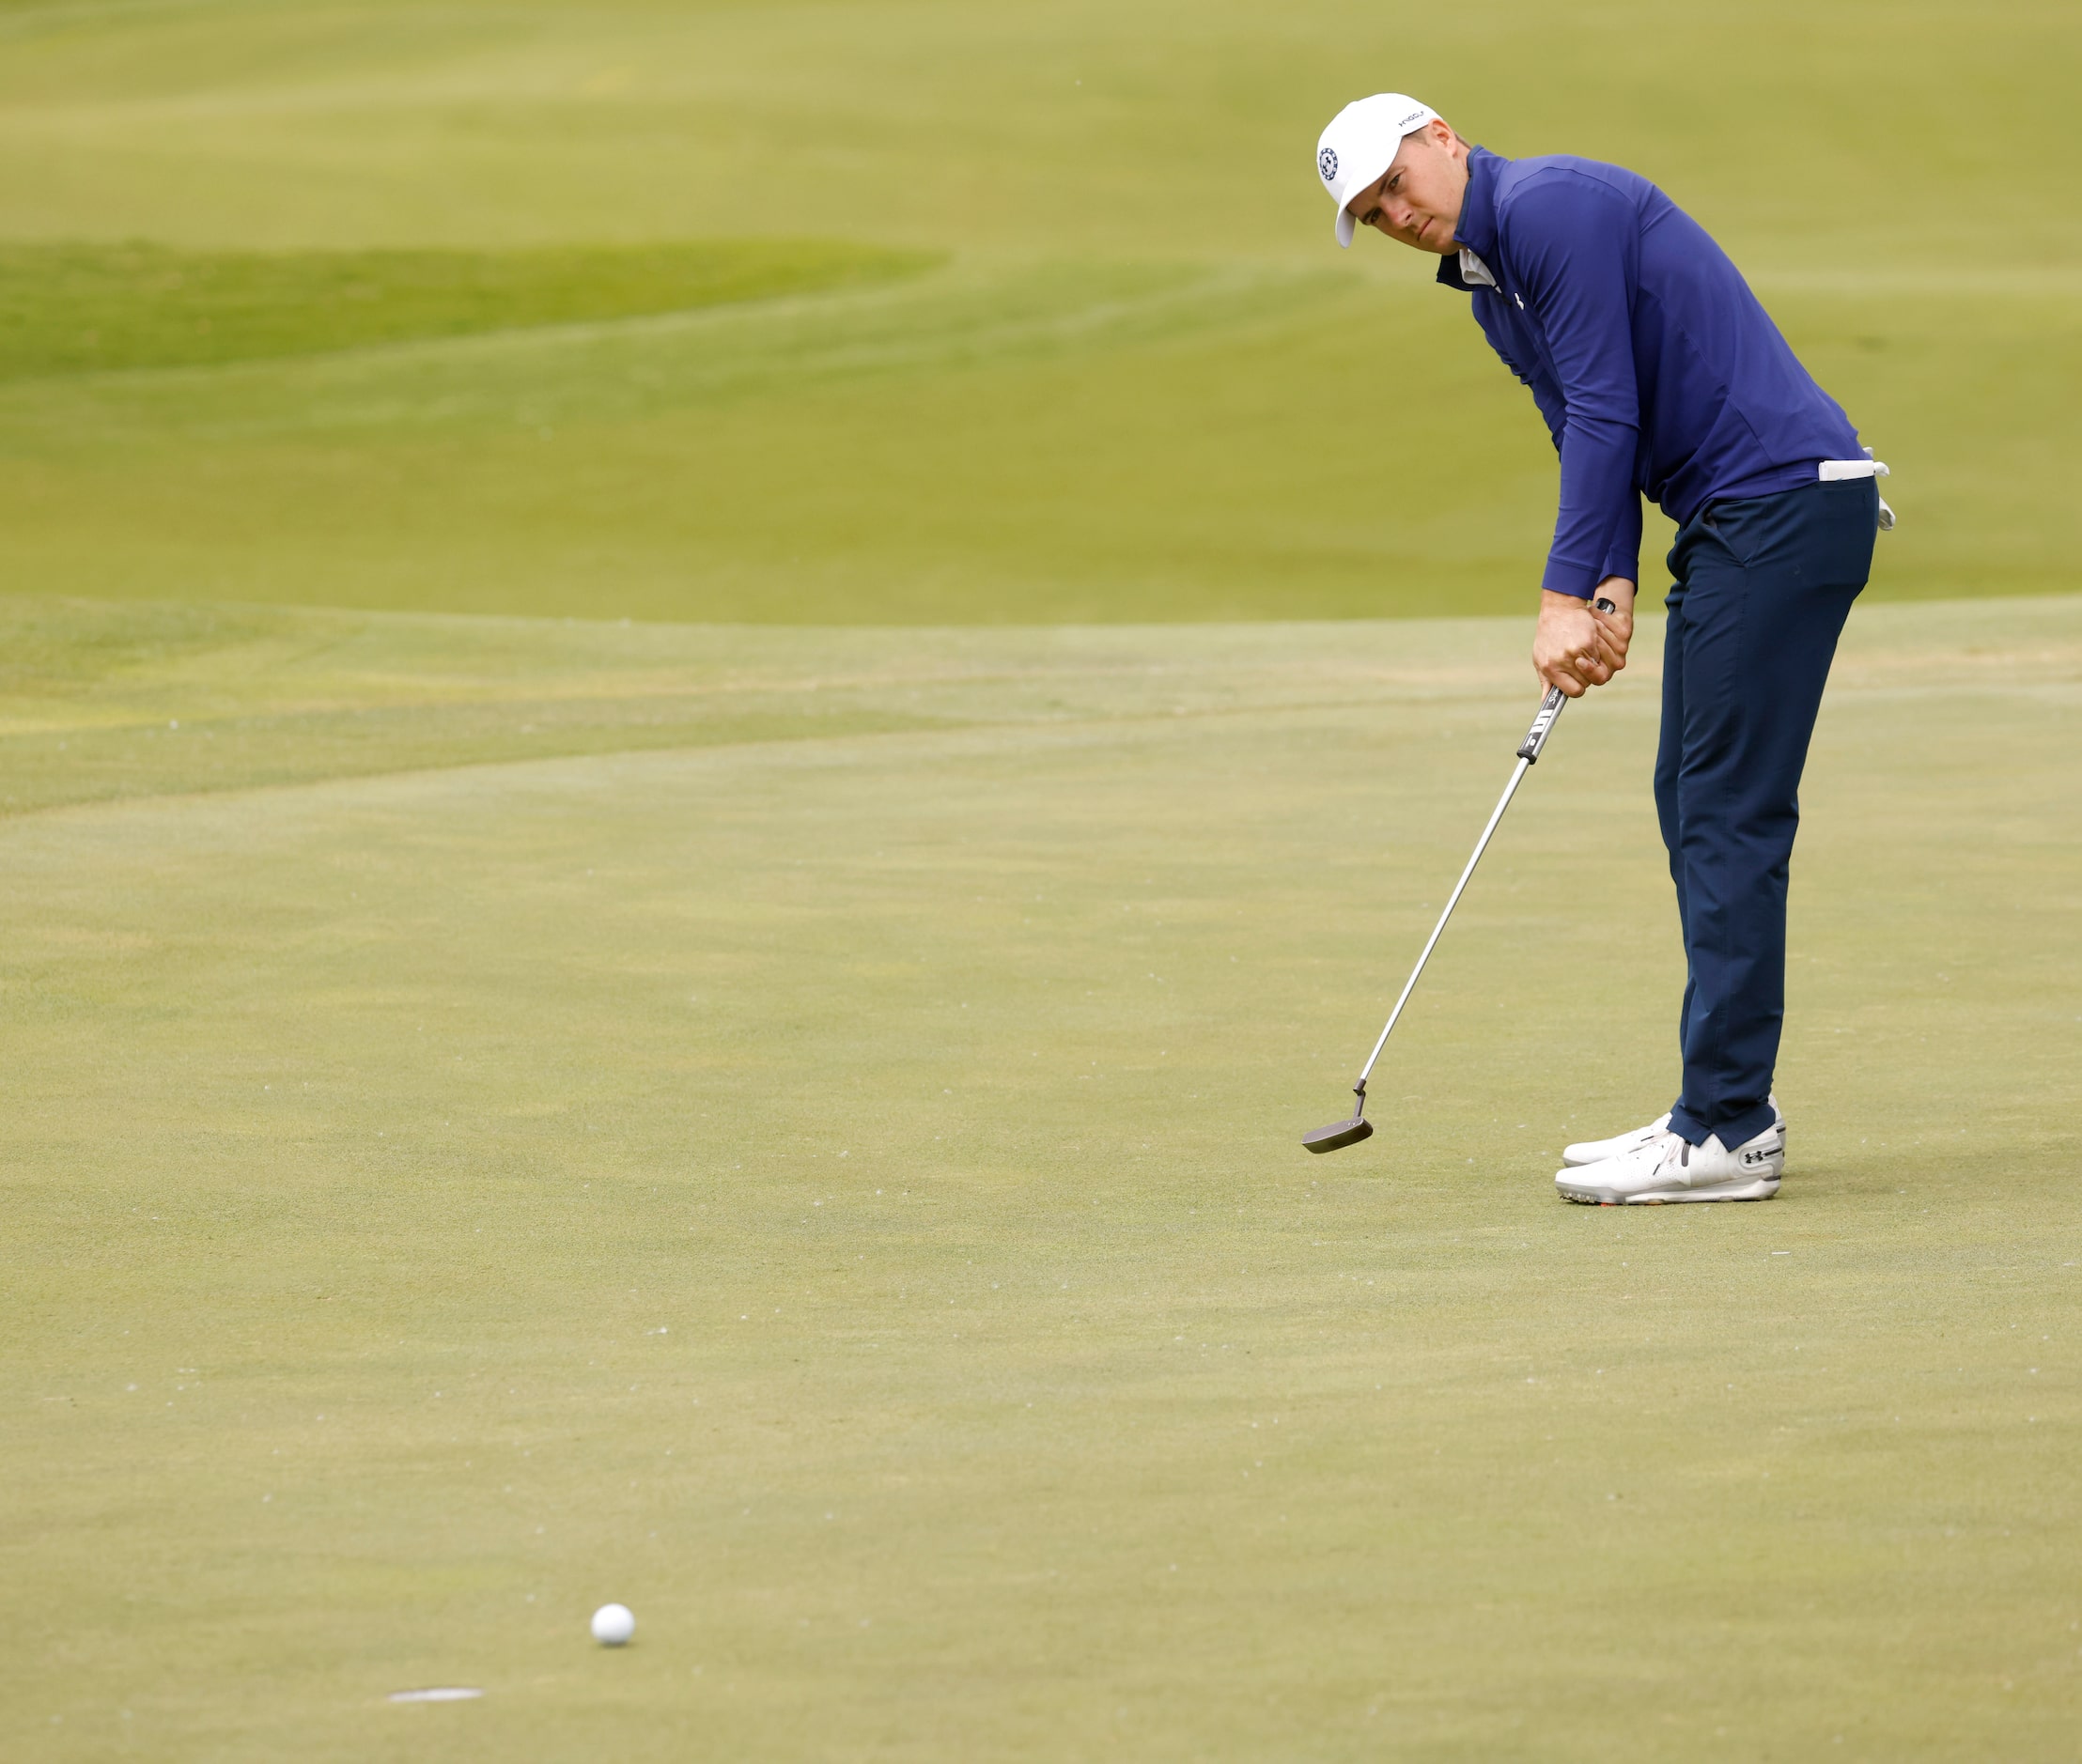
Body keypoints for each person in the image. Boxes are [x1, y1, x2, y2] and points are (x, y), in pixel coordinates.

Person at [1313, 94, 1890, 1205]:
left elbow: (1605, 406)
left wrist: (1554, 598)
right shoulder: (1489, 286)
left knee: (1722, 811)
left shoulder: (1551, 205)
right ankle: (1728, 1115)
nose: (1395, 213)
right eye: (1371, 212)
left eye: (1395, 182)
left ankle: (1722, 1130)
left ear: (1442, 137)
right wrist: (1607, 580)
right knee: (1692, 797)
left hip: (1774, 509)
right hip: (1736, 521)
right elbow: (1583, 425)